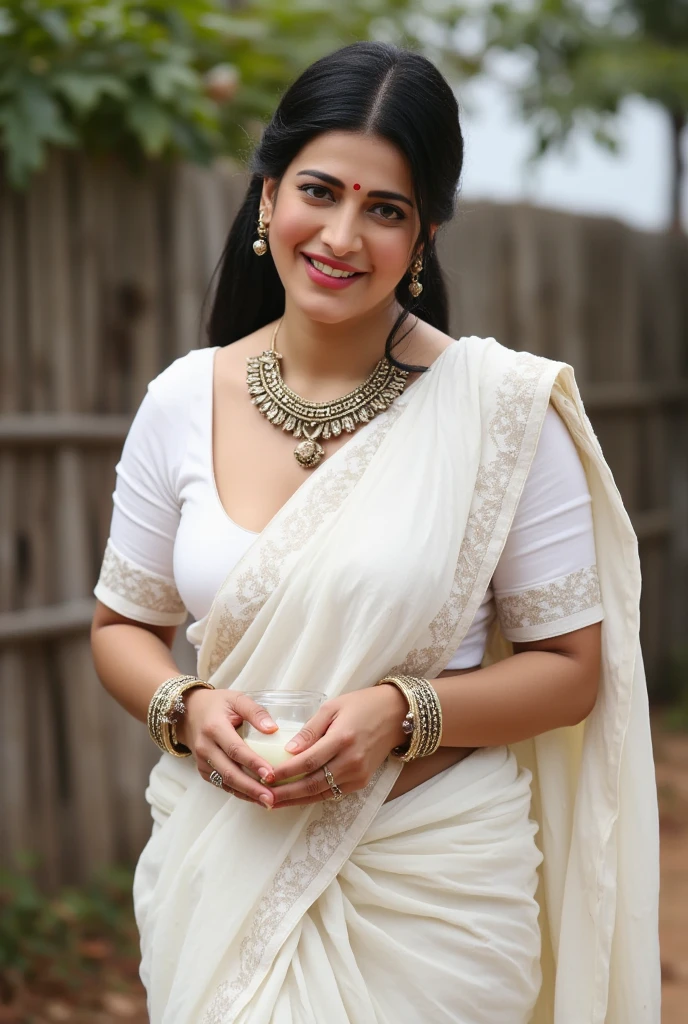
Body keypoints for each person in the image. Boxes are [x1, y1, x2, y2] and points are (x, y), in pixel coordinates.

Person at [90, 41, 660, 1024]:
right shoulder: (183, 400)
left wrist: (403, 713)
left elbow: (572, 669)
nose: (343, 235)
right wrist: (182, 706)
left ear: (425, 233)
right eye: (320, 190)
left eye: (385, 209)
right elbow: (120, 628)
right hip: (217, 860)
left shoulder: (499, 411)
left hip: (431, 886)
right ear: (267, 196)